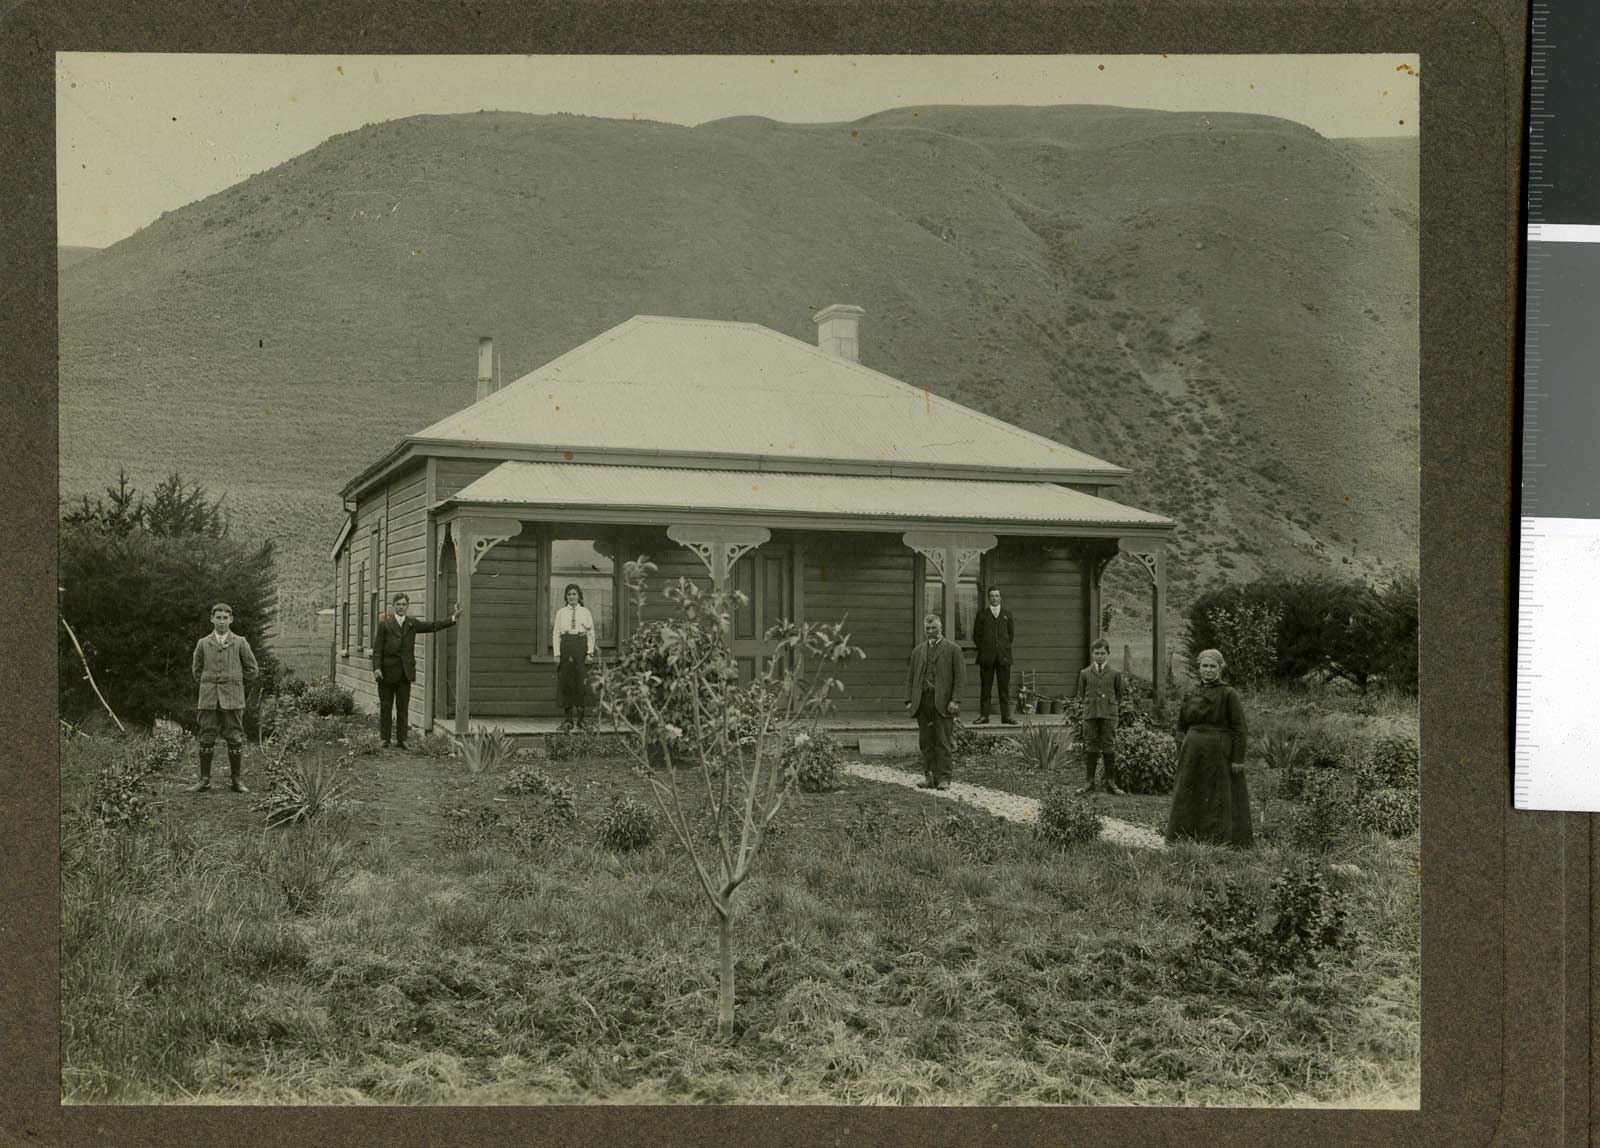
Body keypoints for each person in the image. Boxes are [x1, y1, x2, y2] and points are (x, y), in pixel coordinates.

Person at [1165, 648, 1253, 848]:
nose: (1208, 670)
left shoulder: (1228, 694)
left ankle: (1217, 841)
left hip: (1218, 752)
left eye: (1212, 666)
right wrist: (1180, 749)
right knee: (1189, 792)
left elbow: (1240, 729)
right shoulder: (1191, 692)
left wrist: (1238, 758)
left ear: (1221, 668)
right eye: (1204, 666)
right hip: (1192, 752)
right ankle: (1184, 839)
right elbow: (1181, 725)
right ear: (1199, 668)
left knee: (1216, 795)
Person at [372, 592, 460, 749]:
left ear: (407, 606)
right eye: (398, 604)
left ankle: (402, 739)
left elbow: (432, 626)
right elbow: (377, 650)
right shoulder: (384, 624)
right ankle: (384, 738)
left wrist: (452, 619)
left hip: (405, 673)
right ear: (393, 606)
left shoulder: (412, 624)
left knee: (403, 707)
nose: (401, 607)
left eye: (404, 604)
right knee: (386, 707)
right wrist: (377, 668)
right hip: (386, 673)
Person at [189, 602, 260, 793]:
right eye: (218, 618)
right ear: (212, 619)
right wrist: (207, 685)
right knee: (206, 735)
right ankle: (205, 780)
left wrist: (236, 684)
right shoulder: (203, 643)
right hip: (209, 697)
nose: (221, 622)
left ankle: (236, 780)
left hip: (233, 697)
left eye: (225, 618)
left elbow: (252, 670)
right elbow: (196, 670)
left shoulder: (240, 642)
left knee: (234, 736)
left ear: (231, 619)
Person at [904, 612, 965, 790]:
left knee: (943, 740)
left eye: (934, 628)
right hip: (923, 701)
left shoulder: (953, 649)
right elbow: (910, 678)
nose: (930, 631)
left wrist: (956, 700)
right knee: (926, 741)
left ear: (941, 628)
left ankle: (944, 778)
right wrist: (909, 700)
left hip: (944, 702)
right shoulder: (918, 650)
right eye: (927, 628)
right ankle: (929, 777)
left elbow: (960, 678)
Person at [1075, 637, 1127, 795]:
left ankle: (1110, 783)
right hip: (1090, 714)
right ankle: (1089, 782)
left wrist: (1109, 707)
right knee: (1091, 745)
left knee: (1108, 745)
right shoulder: (1084, 673)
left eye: (1103, 653)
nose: (1099, 656)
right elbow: (1081, 694)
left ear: (1108, 654)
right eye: (1097, 653)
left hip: (1108, 714)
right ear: (1092, 654)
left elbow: (1119, 694)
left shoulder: (1115, 674)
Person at [551, 582, 596, 730]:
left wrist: (589, 652)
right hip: (566, 646)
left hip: (581, 647)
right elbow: (556, 633)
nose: (572, 597)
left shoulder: (585, 612)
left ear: (579, 596)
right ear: (566, 596)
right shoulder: (561, 612)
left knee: (581, 682)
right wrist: (557, 654)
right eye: (569, 594)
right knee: (566, 682)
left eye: (574, 594)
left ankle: (581, 721)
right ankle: (568, 720)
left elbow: (591, 633)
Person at [971, 586, 1018, 725]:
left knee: (1004, 689)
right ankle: (984, 716)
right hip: (987, 658)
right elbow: (976, 636)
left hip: (1003, 657)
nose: (994, 598)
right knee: (986, 688)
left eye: (997, 596)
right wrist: (986, 649)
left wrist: (1001, 648)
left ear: (1000, 597)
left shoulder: (1007, 614)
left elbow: (1011, 636)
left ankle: (1006, 716)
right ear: (988, 598)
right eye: (992, 596)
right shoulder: (982, 615)